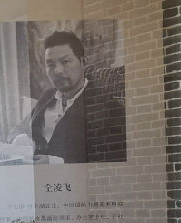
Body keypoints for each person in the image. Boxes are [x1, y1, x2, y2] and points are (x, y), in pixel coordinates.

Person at [7, 30, 126, 163]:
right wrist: (18, 138)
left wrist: (55, 163)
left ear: (83, 62)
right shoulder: (47, 96)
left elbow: (112, 159)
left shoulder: (109, 108)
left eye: (65, 61)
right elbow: (18, 129)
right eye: (50, 65)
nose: (58, 71)